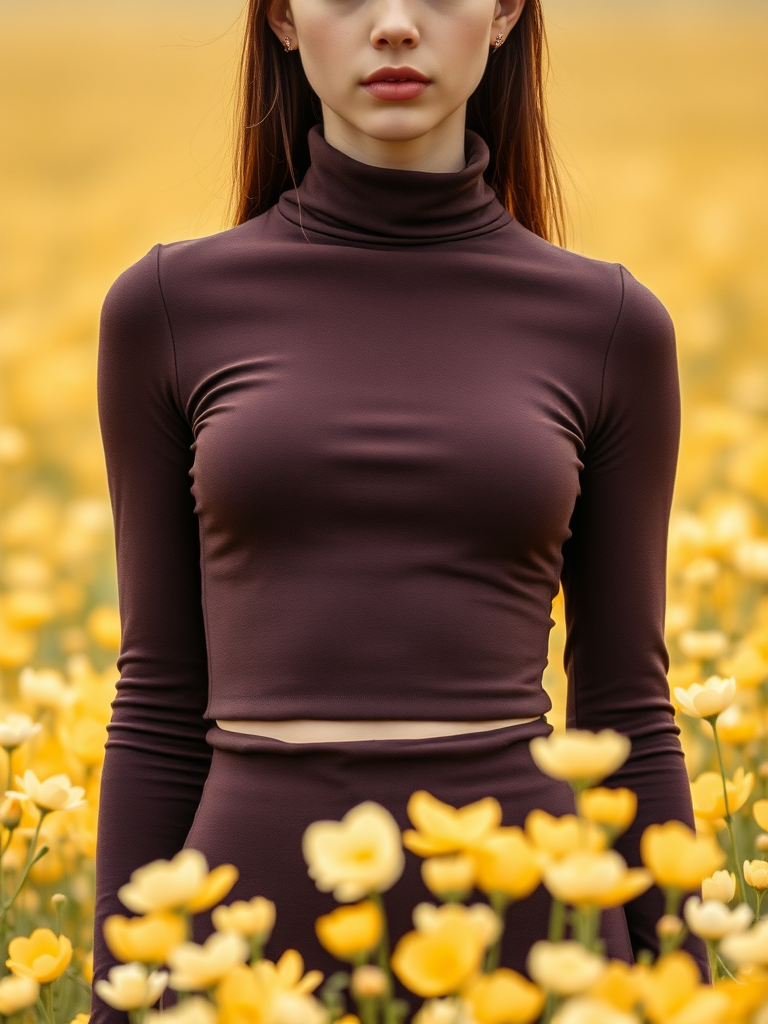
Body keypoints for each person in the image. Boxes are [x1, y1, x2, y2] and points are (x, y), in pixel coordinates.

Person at [91, 0, 709, 1018]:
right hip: (243, 941)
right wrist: (119, 992)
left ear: (507, 11)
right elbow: (158, 697)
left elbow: (628, 710)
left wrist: (688, 984)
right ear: (283, 18)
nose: (392, 25)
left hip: (534, 937)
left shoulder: (612, 325)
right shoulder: (165, 308)